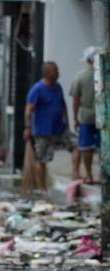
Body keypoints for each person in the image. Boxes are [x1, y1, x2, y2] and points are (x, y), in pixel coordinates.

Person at [24, 61, 69, 191]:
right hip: (42, 132)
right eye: (56, 71)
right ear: (48, 73)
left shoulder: (58, 87)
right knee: (42, 160)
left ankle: (76, 174)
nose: (58, 73)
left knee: (77, 146)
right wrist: (28, 127)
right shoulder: (37, 89)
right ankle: (42, 189)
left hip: (59, 129)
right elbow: (28, 110)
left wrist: (67, 121)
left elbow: (63, 104)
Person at [70, 47, 100, 184]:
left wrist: (75, 118)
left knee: (87, 147)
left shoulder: (80, 77)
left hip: (86, 117)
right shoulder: (106, 75)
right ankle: (103, 175)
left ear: (88, 60)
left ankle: (89, 175)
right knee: (103, 147)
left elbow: (76, 100)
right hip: (104, 118)